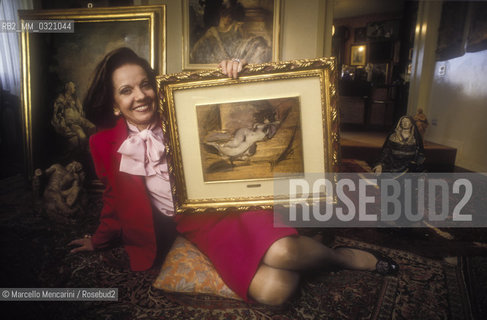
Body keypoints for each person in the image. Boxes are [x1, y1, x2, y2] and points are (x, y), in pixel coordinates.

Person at [69, 48, 399, 306]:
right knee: (275, 291)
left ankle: (339, 257)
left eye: (144, 85)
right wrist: (98, 239)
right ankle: (307, 246)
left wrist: (233, 77)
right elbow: (114, 200)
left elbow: (229, 99)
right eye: (126, 90)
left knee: (281, 253)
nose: (139, 96)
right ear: (114, 104)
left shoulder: (182, 106)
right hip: (199, 222)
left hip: (241, 201)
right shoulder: (102, 145)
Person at [190, 0, 271, 64]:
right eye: (225, 15)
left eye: (230, 16)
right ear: (220, 16)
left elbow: (245, 42)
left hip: (236, 62)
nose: (228, 19)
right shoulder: (212, 31)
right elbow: (194, 52)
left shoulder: (236, 28)